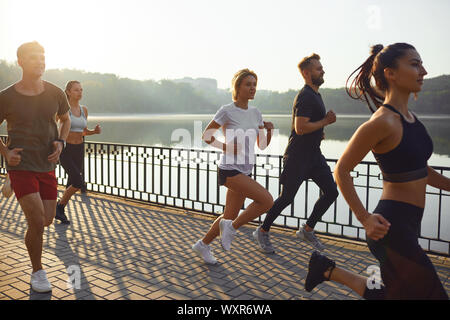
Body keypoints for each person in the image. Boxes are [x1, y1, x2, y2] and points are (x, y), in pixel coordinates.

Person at [305, 43, 449, 300]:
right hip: (389, 228)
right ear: (390, 73)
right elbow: (342, 170)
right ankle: (326, 269)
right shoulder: (382, 122)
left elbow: (421, 171)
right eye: (415, 64)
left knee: (396, 295)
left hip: (409, 223)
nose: (424, 71)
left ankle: (326, 269)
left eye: (421, 64)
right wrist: (364, 217)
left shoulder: (411, 119)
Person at [0, 41, 71, 293]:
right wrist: (6, 152)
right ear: (20, 62)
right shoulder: (6, 96)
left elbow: (65, 119)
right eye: (33, 58)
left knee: (48, 219)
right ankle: (37, 271)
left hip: (46, 166)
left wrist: (61, 142)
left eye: (43, 57)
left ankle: (9, 184)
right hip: (21, 165)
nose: (40, 62)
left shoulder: (55, 93)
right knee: (37, 220)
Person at [253, 54, 338, 254]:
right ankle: (262, 231)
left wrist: (319, 132)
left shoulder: (316, 95)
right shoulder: (306, 95)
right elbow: (300, 128)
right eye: (318, 68)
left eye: (322, 67)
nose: (323, 71)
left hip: (314, 155)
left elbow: (306, 126)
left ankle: (307, 229)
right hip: (298, 156)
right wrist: (325, 122)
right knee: (286, 198)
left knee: (331, 191)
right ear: (307, 73)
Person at [192, 69, 274, 264]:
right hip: (229, 169)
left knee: (229, 214)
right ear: (237, 88)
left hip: (245, 169)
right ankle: (232, 227)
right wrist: (226, 146)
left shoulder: (256, 113)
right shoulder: (227, 110)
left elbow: (261, 145)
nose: (252, 88)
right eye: (248, 84)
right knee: (267, 201)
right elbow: (206, 136)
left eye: (255, 84)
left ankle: (202, 245)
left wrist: (269, 131)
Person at [55, 81, 101, 224]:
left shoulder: (84, 110)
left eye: (81, 90)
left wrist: (94, 132)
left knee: (71, 182)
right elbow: (50, 126)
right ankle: (59, 207)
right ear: (68, 92)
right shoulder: (63, 109)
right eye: (76, 90)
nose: (80, 92)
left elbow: (83, 132)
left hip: (79, 149)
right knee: (78, 181)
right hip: (66, 149)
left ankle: (60, 210)